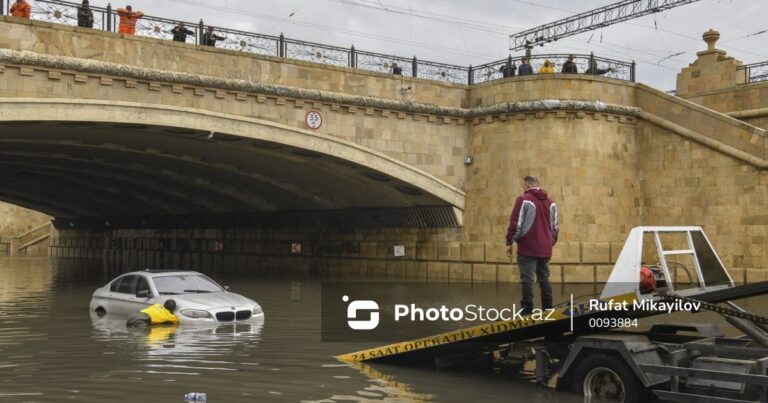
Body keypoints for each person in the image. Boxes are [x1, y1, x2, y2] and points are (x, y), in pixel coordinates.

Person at [505, 176, 558, 315]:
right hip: (545, 248)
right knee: (544, 278)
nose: (523, 188)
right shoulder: (551, 202)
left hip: (528, 248)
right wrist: (549, 242)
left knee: (527, 279)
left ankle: (527, 310)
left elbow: (515, 223)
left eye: (524, 185)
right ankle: (548, 309)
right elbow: (555, 227)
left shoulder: (523, 200)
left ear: (527, 185)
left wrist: (509, 241)